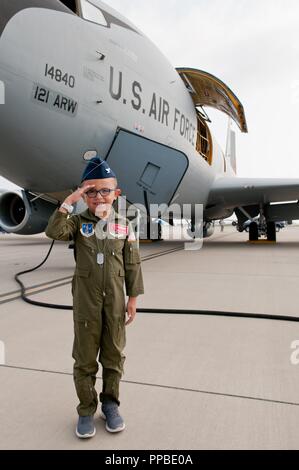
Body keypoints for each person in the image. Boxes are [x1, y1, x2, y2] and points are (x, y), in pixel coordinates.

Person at [45, 157, 144, 439]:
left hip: (114, 304)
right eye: (91, 191)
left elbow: (132, 264)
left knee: (113, 357)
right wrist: (71, 199)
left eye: (105, 190)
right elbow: (54, 230)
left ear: (117, 194)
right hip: (86, 305)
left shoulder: (124, 225)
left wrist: (132, 298)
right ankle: (86, 410)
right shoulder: (77, 223)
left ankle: (110, 405)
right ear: (83, 194)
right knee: (85, 360)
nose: (98, 196)